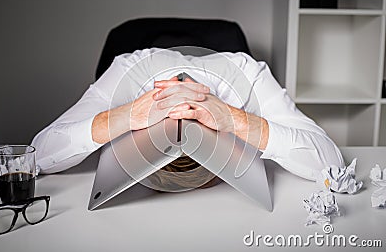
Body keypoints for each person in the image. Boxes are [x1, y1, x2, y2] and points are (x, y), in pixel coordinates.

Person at [31, 48, 344, 185]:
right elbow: (39, 155)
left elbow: (331, 164)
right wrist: (129, 115)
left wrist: (234, 120)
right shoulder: (129, 71)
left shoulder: (249, 75)